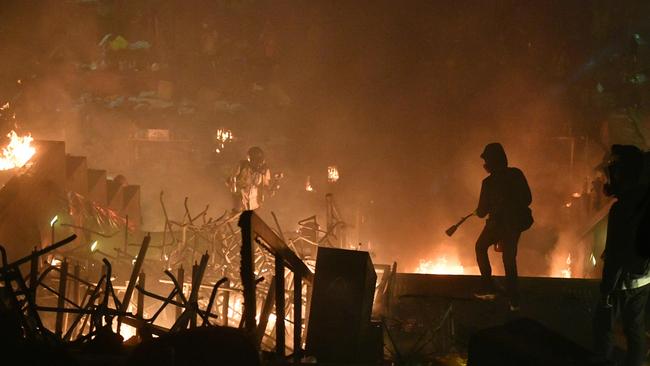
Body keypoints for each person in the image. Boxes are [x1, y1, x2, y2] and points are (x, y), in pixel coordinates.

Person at [594, 144, 650, 366]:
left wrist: (606, 290)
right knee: (635, 330)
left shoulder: (623, 207)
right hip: (644, 279)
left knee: (603, 326)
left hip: (622, 282)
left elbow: (616, 253)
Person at [473, 143, 533, 311]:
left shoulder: (488, 183)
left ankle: (487, 285)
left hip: (499, 225)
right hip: (514, 224)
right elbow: (528, 199)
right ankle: (514, 300)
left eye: (486, 160)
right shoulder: (516, 174)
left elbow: (481, 212)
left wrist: (482, 210)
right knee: (509, 258)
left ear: (491, 162)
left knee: (480, 247)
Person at [228, 147, 272, 212]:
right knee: (239, 215)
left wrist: (269, 190)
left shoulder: (264, 170)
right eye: (254, 161)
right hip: (241, 198)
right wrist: (234, 189)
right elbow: (233, 177)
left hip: (254, 201)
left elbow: (265, 184)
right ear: (250, 160)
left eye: (258, 161)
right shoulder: (242, 165)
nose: (257, 164)